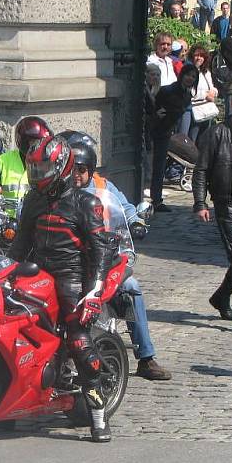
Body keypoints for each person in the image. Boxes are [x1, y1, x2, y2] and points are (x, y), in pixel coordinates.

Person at [9, 135, 116, 442]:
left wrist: (94, 291)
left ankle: (98, 416)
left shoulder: (86, 203)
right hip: (36, 275)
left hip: (71, 279)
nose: (37, 174)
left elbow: (101, 250)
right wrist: (0, 273)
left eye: (43, 168)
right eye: (34, 168)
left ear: (61, 166)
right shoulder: (32, 200)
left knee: (79, 341)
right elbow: (19, 246)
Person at [64, 131, 171, 381]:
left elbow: (126, 209)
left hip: (104, 259)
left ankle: (146, 357)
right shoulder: (58, 191)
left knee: (131, 287)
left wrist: (136, 223)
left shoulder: (104, 186)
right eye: (72, 168)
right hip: (70, 263)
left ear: (91, 167)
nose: (76, 175)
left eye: (82, 169)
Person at [193, 87, 232, 334]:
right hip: (229, 204)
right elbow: (201, 170)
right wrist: (200, 203)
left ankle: (220, 297)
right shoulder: (219, 134)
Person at [151, 64, 200, 212]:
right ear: (182, 75)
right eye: (188, 75)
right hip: (156, 130)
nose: (190, 78)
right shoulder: (169, 90)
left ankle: (157, 199)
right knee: (155, 165)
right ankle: (155, 199)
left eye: (193, 76)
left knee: (159, 165)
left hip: (166, 132)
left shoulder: (187, 95)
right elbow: (155, 108)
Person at [0, 116, 52, 209]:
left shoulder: (50, 162)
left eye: (44, 142)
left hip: (37, 218)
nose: (41, 146)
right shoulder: (3, 160)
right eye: (36, 142)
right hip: (7, 219)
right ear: (24, 141)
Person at [188, 45, 218, 143]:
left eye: (202, 56)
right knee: (193, 137)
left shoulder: (206, 72)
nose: (199, 58)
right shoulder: (188, 71)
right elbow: (191, 92)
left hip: (207, 108)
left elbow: (212, 87)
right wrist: (206, 95)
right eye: (196, 55)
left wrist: (213, 92)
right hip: (196, 109)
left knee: (203, 138)